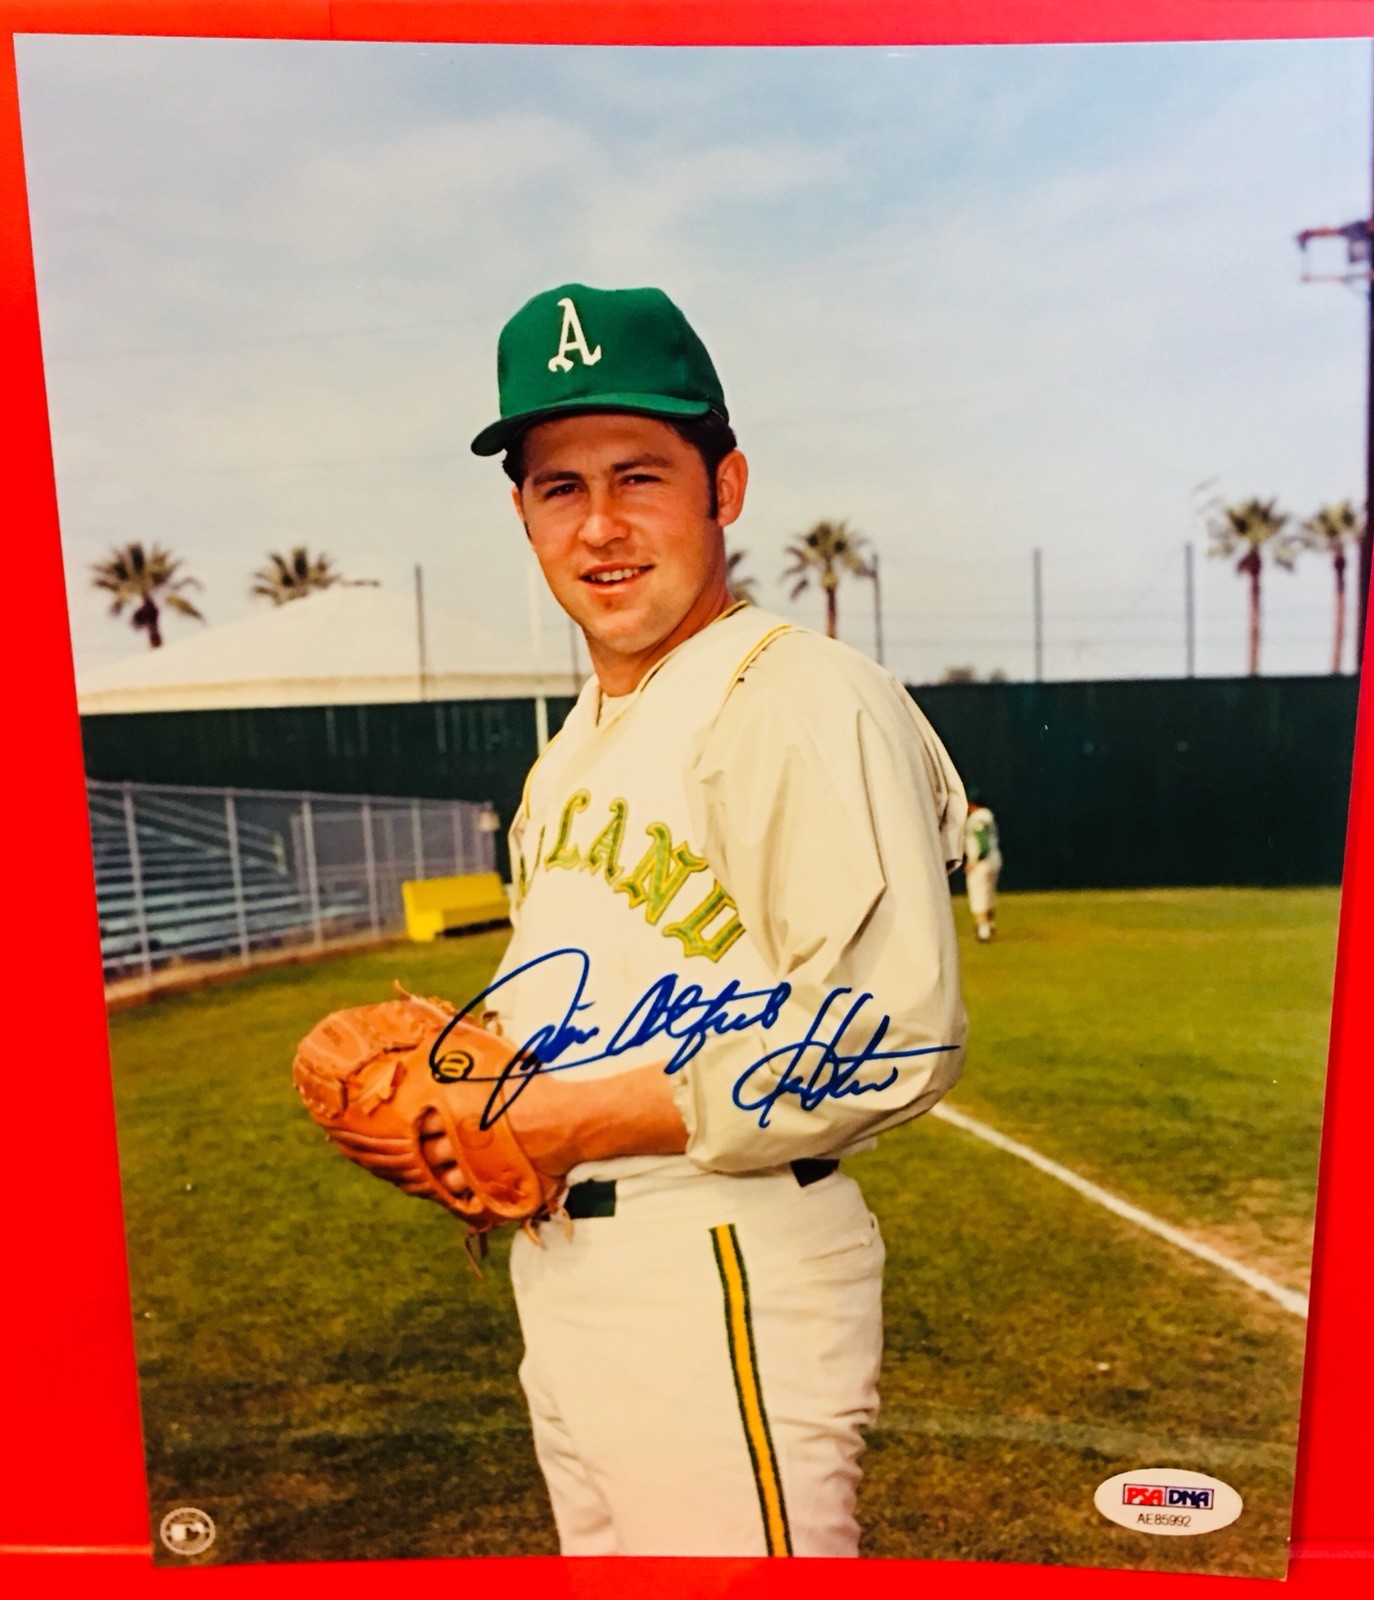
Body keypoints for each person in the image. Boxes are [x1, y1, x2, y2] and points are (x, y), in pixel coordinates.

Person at [435, 282, 969, 1558]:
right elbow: (563, 1004)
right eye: (561, 486)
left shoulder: (795, 697)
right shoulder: (570, 748)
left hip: (722, 1262)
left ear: (724, 485)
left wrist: (569, 1121)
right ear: (521, 512)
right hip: (571, 1274)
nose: (602, 526)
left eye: (641, 475)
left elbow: (891, 1033)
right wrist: (462, 1104)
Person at [962, 799, 1002, 942]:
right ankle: (990, 924)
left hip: (981, 861)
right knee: (989, 893)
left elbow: (982, 841)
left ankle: (983, 930)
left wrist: (975, 860)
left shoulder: (976, 819)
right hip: (994, 858)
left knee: (978, 894)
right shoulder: (988, 815)